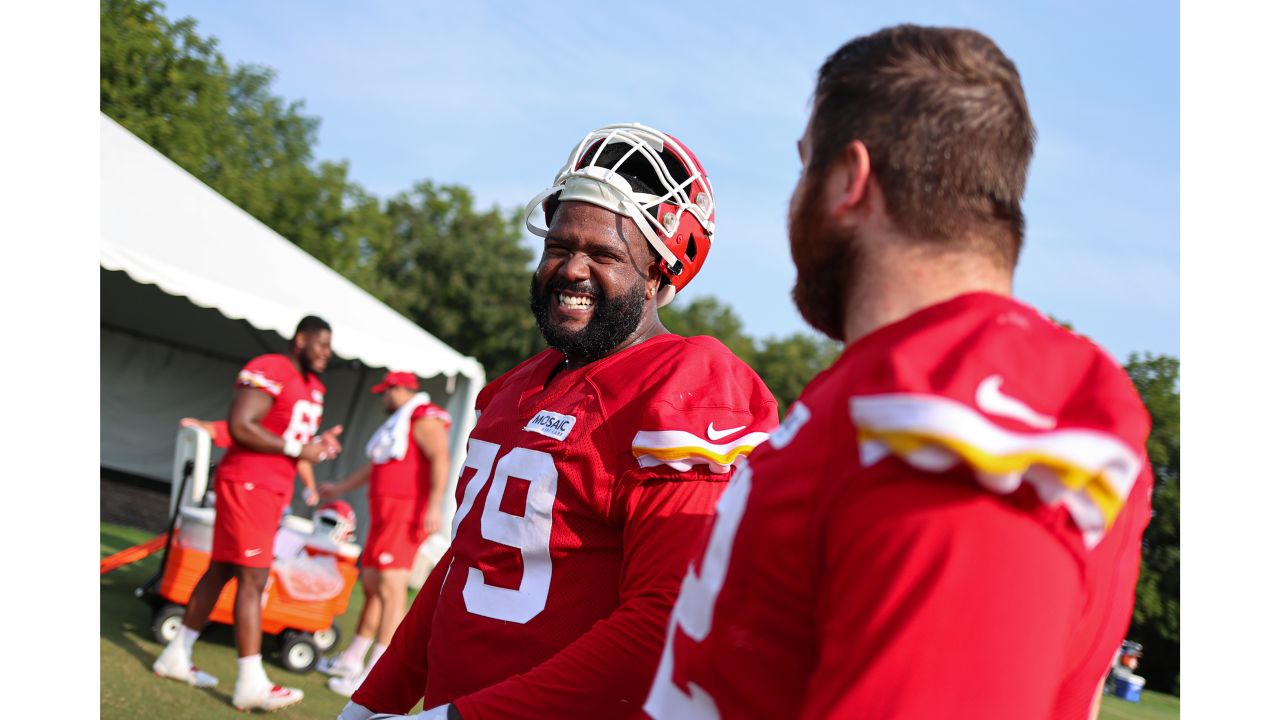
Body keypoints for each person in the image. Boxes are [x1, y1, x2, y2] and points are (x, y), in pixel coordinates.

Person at [645, 25, 1155, 720]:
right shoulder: (893, 380)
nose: (793, 201)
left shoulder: (955, 404)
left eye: (805, 168)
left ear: (850, 180)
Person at [337, 124, 779, 720]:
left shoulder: (690, 386)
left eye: (604, 254)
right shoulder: (514, 388)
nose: (571, 269)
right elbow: (465, 567)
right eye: (559, 246)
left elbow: (670, 618)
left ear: (657, 274)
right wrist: (372, 702)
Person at [153, 315, 344, 712]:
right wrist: (298, 450)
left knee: (222, 569)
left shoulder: (313, 385)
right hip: (250, 484)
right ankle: (251, 681)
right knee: (253, 578)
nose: (328, 352)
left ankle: (176, 654)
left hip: (270, 488)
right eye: (321, 344)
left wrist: (315, 445)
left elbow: (286, 435)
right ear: (301, 339)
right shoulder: (272, 367)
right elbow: (242, 425)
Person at [316, 371, 453, 696]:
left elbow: (441, 460)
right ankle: (353, 658)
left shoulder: (423, 419)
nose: (383, 398)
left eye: (386, 392)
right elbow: (376, 466)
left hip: (405, 513)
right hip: (384, 512)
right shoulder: (399, 425)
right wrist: (339, 488)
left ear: (401, 390)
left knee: (391, 587)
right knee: (374, 584)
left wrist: (434, 506)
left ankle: (377, 670)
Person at [180, 417, 319, 506]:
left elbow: (301, 459)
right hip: (243, 500)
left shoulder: (289, 437)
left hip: (277, 503)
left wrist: (310, 487)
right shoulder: (252, 432)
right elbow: (219, 430)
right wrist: (197, 425)